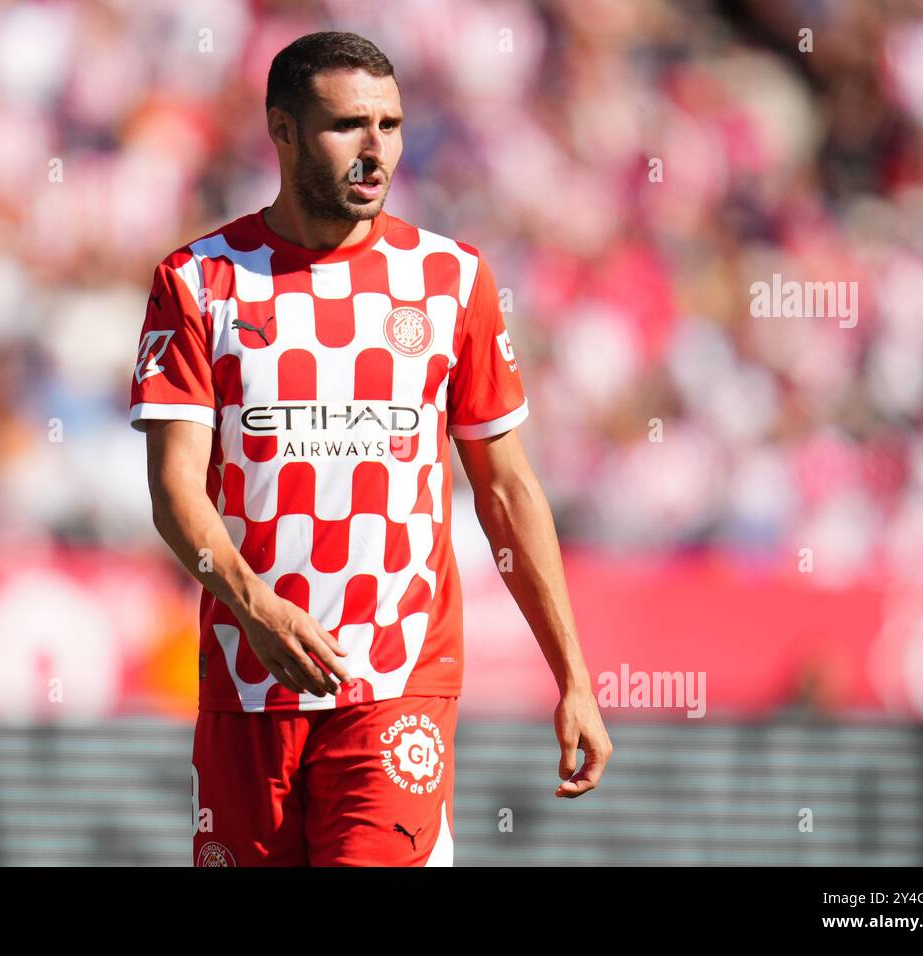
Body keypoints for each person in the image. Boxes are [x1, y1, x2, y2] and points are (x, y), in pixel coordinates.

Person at [130, 30, 611, 867]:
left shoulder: (450, 279)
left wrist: (574, 675)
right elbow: (176, 493)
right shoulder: (199, 280)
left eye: (390, 125)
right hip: (248, 685)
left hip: (397, 683)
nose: (375, 150)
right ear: (282, 130)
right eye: (348, 125)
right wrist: (256, 607)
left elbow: (506, 489)